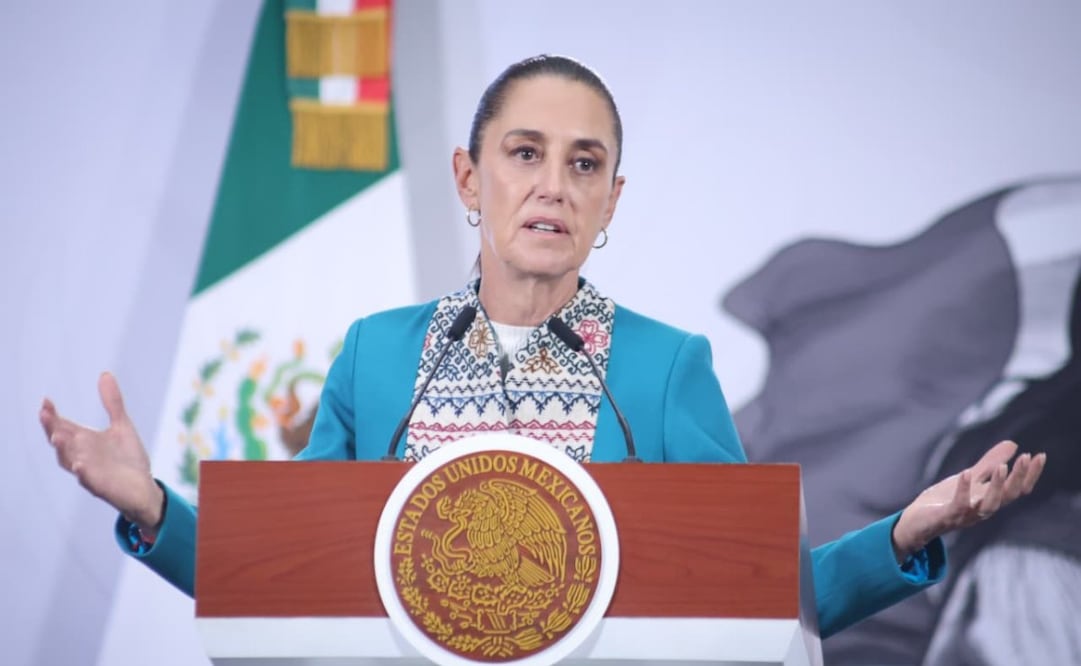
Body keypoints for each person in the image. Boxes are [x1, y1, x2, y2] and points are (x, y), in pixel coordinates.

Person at [40, 55, 1045, 640]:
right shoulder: (378, 357)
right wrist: (155, 508)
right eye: (524, 154)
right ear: (470, 178)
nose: (553, 184)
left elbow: (766, 606)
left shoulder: (662, 367)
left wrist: (907, 532)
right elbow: (286, 587)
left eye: (585, 163)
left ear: (611, 200)